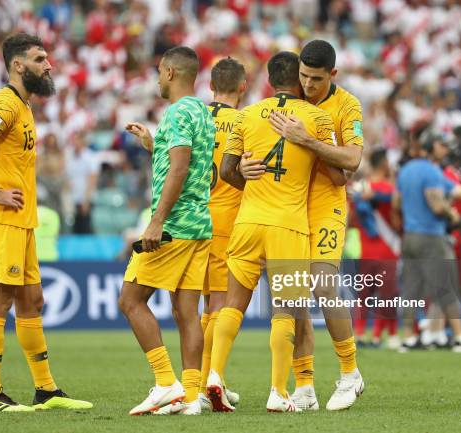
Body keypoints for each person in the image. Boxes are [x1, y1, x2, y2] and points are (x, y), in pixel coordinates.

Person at [0, 33, 92, 412]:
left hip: (22, 221)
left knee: (32, 301)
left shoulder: (23, 105)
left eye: (46, 58)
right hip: (2, 218)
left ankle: (46, 391)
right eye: (39, 59)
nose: (48, 65)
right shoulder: (5, 103)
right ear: (18, 65)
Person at [206, 51, 341, 413]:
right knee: (286, 310)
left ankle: (214, 375)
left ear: (268, 81)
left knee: (232, 304)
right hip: (289, 226)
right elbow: (340, 174)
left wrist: (246, 175)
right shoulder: (317, 116)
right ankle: (278, 392)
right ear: (300, 79)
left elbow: (227, 171)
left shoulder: (246, 116)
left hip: (248, 221)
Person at [241, 40, 365, 411]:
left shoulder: (347, 106)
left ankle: (350, 373)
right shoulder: (285, 103)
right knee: (293, 301)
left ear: (333, 75)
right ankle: (305, 386)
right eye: (303, 77)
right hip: (288, 212)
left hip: (325, 207)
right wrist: (244, 169)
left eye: (315, 79)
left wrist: (307, 139)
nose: (307, 86)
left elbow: (351, 163)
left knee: (324, 285)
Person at [119, 46, 216, 416]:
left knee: (130, 300)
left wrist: (157, 220)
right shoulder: (202, 113)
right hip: (200, 224)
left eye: (160, 72)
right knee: (186, 311)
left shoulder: (176, 113)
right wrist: (153, 143)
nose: (158, 79)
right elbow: (190, 165)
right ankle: (191, 397)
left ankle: (165, 383)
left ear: (171, 73)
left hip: (174, 224)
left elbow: (178, 170)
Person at [394, 131, 461, 352]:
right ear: (431, 148)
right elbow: (437, 205)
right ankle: (460, 338)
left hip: (409, 236)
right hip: (431, 235)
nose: (446, 149)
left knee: (411, 290)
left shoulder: (405, 170)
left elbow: (395, 204)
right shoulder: (432, 172)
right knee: (446, 286)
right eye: (442, 145)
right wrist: (452, 214)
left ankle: (409, 338)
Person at [198, 57, 247, 412]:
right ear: (242, 87)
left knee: (205, 306)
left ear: (211, 86)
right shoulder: (243, 122)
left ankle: (211, 380)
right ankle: (205, 383)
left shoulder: (194, 116)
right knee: (220, 305)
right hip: (226, 220)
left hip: (192, 218)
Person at [352, 149, 400, 349]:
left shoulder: (360, 188)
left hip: (367, 249)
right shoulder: (390, 189)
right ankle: (383, 334)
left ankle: (359, 333)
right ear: (383, 164)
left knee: (364, 294)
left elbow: (353, 218)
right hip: (388, 248)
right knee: (388, 295)